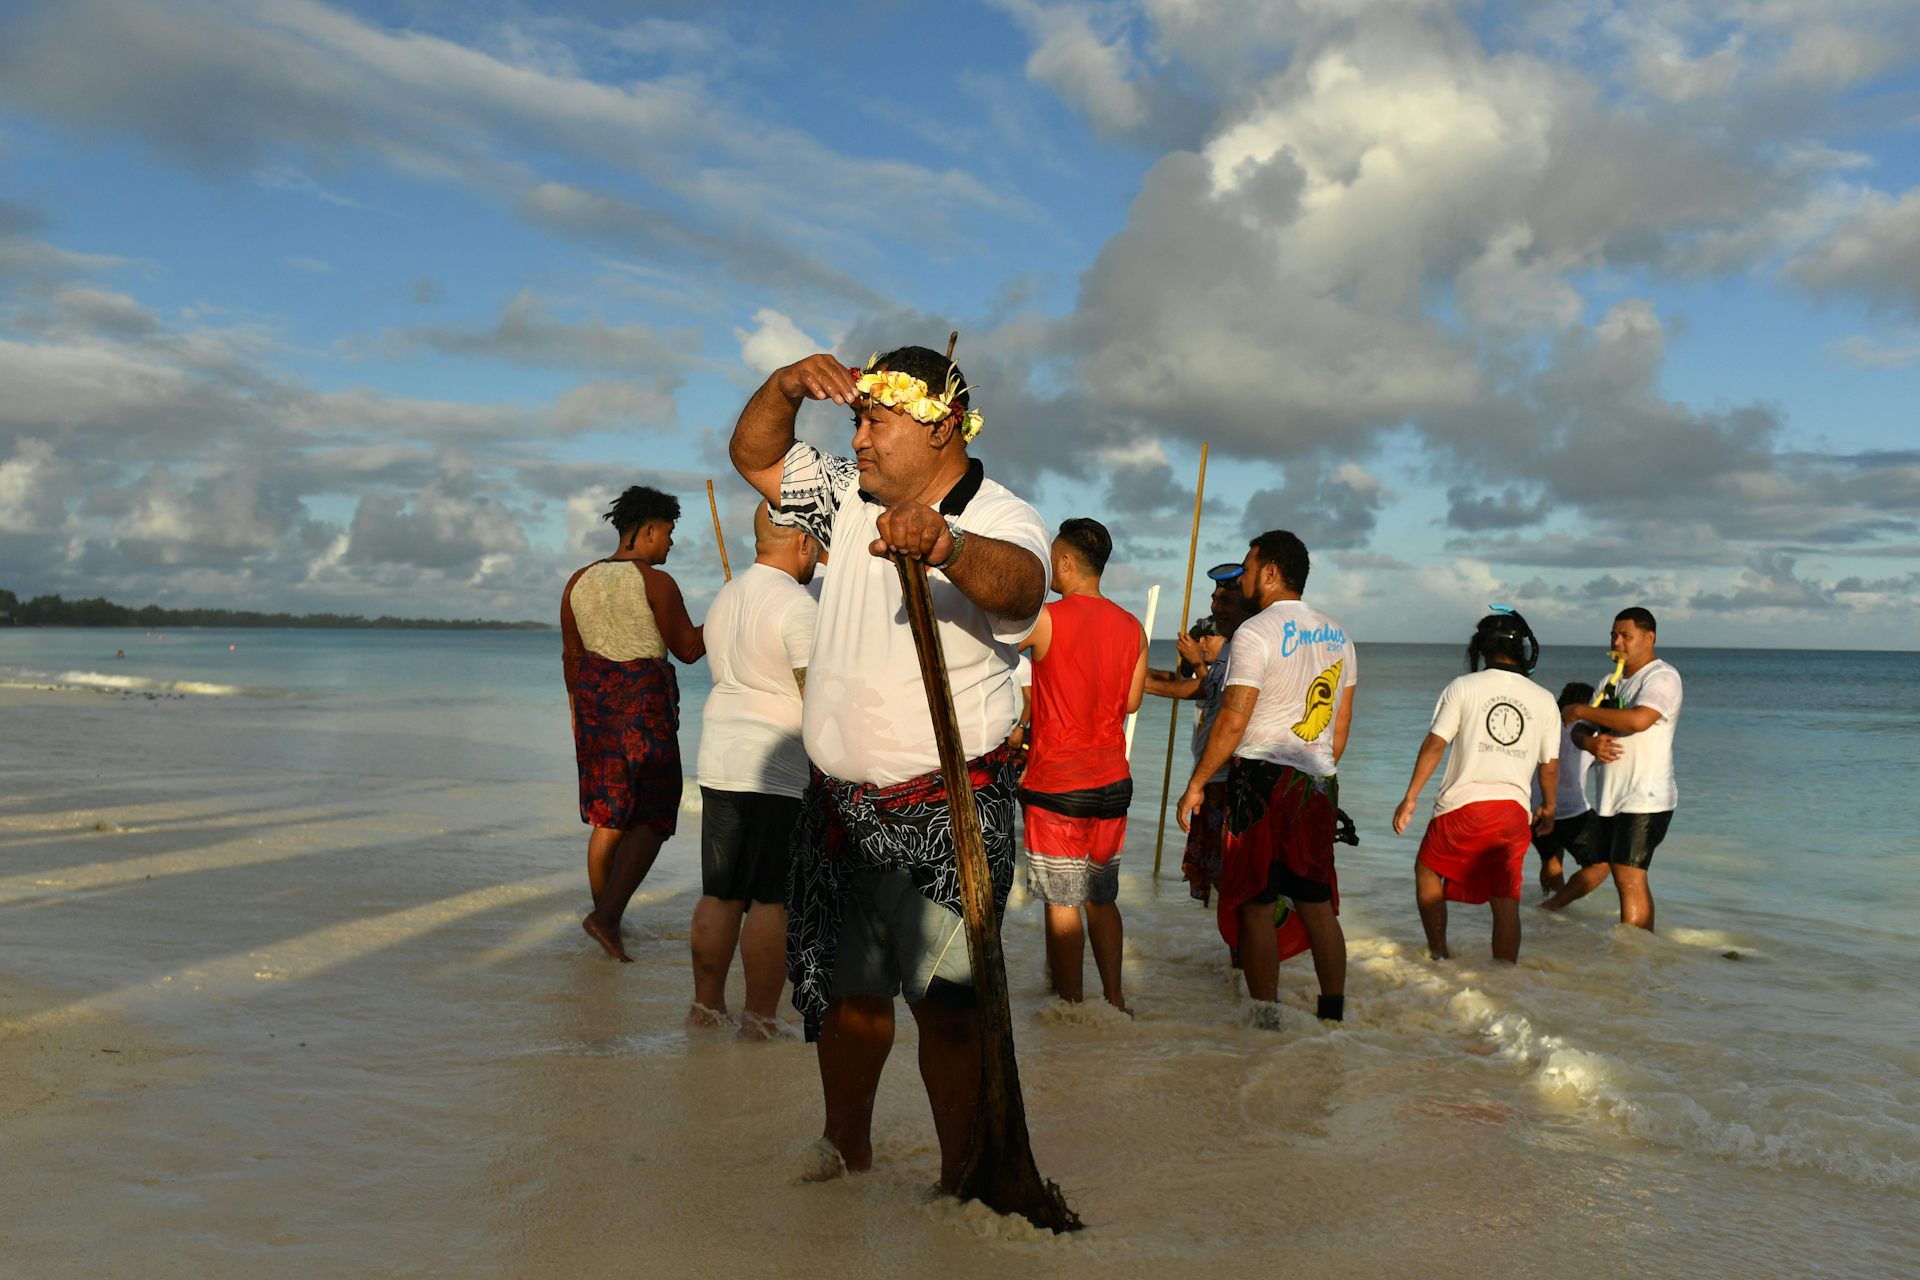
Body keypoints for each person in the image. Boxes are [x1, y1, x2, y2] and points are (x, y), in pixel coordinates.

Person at [728, 344, 1048, 1190]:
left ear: (941, 425)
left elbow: (1020, 588)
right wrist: (786, 384)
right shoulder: (845, 496)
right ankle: (845, 1147)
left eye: (876, 420)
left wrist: (945, 546)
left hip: (947, 812)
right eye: (855, 420)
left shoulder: (1002, 513)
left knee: (946, 1009)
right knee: (844, 995)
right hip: (838, 804)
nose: (859, 440)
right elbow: (754, 455)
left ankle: (961, 1176)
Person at [1176, 531, 1355, 1025]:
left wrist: (1197, 784)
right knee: (1317, 902)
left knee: (1255, 902)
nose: (1245, 576)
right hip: (1318, 782)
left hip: (1259, 780)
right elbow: (1339, 729)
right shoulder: (1340, 635)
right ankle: (1333, 1016)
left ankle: (1266, 1019)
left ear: (1271, 572)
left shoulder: (1255, 633)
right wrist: (1317, 773)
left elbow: (1233, 719)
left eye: (1250, 567)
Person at [690, 502, 820, 1039]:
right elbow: (816, 696)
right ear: (802, 542)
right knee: (772, 897)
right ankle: (761, 1019)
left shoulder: (725, 595)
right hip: (777, 766)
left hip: (719, 756)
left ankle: (705, 1008)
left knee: (721, 891)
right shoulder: (798, 605)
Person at [561, 485, 705, 962]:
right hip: (643, 708)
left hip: (593, 707)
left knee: (608, 815)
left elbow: (573, 657)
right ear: (645, 531)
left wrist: (581, 715)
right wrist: (733, 612)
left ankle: (609, 921)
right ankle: (606, 917)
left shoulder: (578, 581)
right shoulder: (655, 583)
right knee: (654, 815)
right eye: (668, 533)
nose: (670, 543)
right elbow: (687, 649)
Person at [1019, 517, 1147, 1011]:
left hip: (1058, 784)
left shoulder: (1046, 618)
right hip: (1114, 781)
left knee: (1062, 901)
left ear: (1067, 562)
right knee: (1101, 896)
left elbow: (995, 651)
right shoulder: (1132, 627)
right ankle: (1114, 999)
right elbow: (1132, 702)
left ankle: (1070, 1005)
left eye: (1053, 559)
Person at [1390, 612, 1560, 963]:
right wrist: (1550, 807)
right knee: (1505, 897)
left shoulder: (1464, 687)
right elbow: (1551, 766)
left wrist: (1410, 798)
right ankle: (1504, 977)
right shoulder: (1544, 699)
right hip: (1513, 811)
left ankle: (1439, 955)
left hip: (1463, 807)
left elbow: (1436, 744)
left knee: (1427, 870)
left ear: (1483, 648)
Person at [1543, 608, 1683, 929]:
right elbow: (1579, 730)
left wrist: (1578, 708)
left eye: (1626, 636)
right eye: (1613, 635)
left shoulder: (1661, 677)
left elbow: (1638, 719)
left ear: (1649, 638)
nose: (1617, 642)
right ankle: (1635, 952)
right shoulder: (1610, 681)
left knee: (1628, 876)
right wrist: (1589, 743)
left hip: (1647, 795)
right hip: (1610, 798)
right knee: (1621, 874)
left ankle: (1633, 952)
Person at [1144, 566, 1251, 908]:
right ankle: (1235, 952)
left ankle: (1246, 950)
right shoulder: (1224, 658)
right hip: (1210, 778)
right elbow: (1190, 683)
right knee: (1216, 873)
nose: (1203, 639)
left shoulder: (1240, 651)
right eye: (1214, 599)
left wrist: (1139, 683)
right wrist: (1132, 674)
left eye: (1225, 599)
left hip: (1225, 778)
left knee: (1229, 875)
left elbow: (1205, 692)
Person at [1533, 681, 1597, 894]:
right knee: (1603, 861)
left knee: (1550, 857)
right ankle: (1558, 905)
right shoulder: (1587, 732)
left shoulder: (1544, 725)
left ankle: (1550, 907)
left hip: (1537, 805)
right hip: (1572, 808)